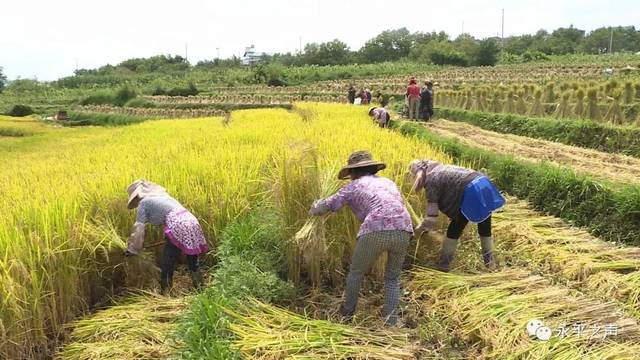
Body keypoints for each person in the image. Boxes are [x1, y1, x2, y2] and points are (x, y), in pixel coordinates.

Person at [309, 151, 413, 326]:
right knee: (393, 278)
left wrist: (313, 209)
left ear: (354, 173)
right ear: (372, 168)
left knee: (356, 272)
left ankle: (348, 313)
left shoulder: (353, 186)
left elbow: (329, 204)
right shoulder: (388, 182)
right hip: (403, 230)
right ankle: (391, 322)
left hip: (375, 230)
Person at [409, 160, 505, 272]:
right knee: (484, 227)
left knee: (454, 229)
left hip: (471, 190)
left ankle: (443, 265)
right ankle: (490, 264)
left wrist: (417, 231)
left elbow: (431, 218)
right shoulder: (440, 169)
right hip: (482, 183)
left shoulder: (431, 182)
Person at [125, 179, 208, 293]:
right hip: (192, 221)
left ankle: (166, 293)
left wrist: (133, 249)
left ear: (137, 196)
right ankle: (200, 289)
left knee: (167, 262)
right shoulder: (164, 197)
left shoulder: (144, 203)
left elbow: (139, 227)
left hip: (178, 225)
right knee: (193, 261)